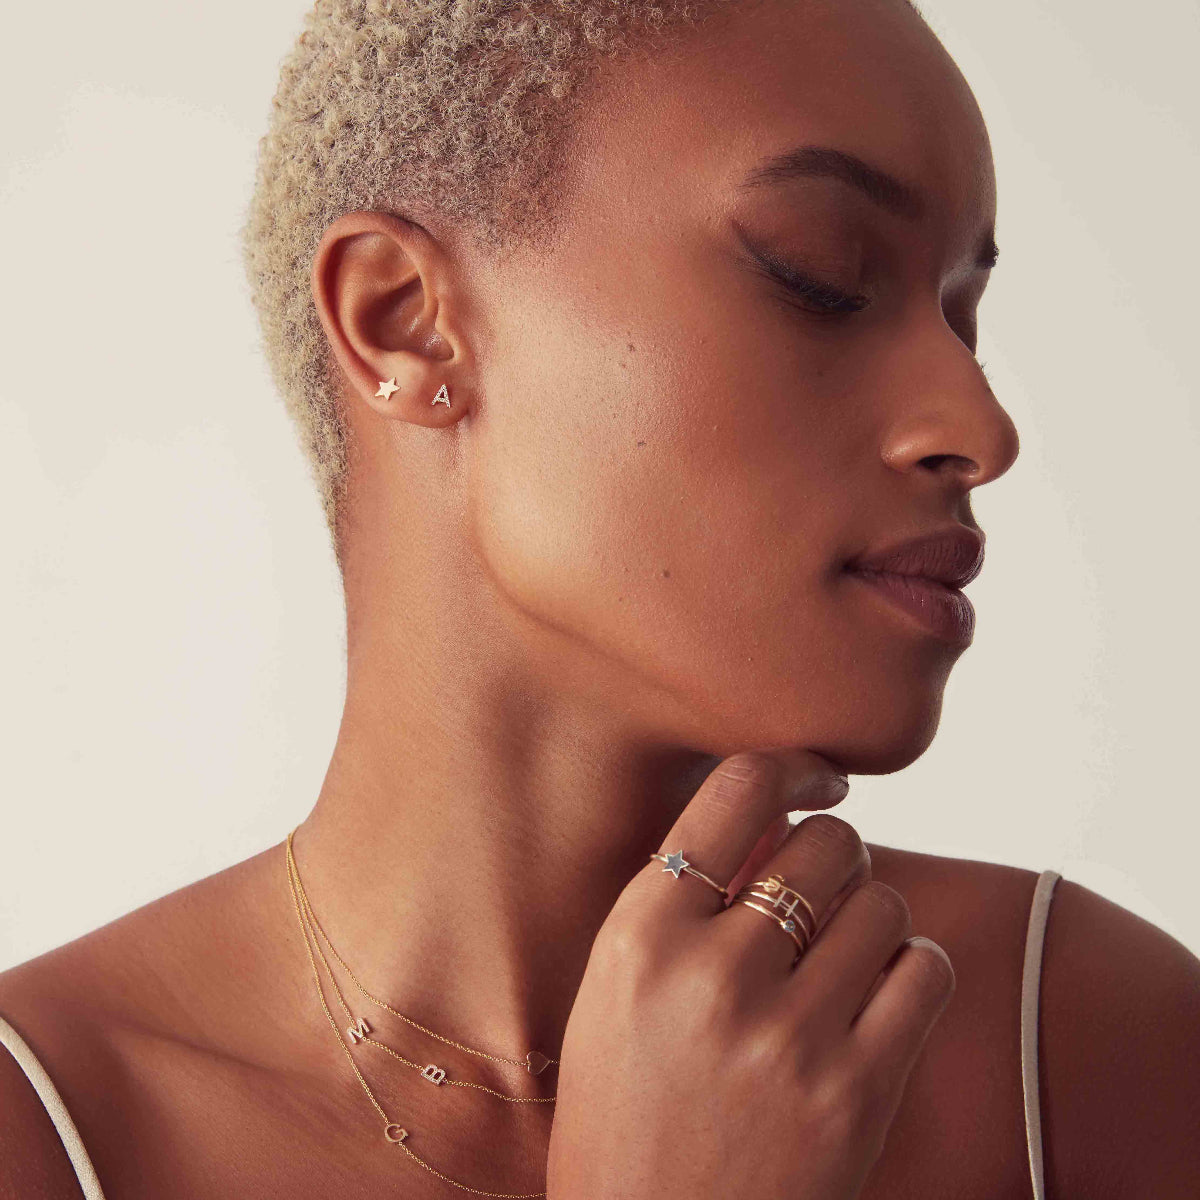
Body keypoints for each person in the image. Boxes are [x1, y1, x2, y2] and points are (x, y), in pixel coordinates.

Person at [2, 0, 1198, 1195]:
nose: (979, 428)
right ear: (404, 322)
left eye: (962, 319)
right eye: (822, 277)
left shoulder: (1085, 1052)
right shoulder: (48, 1129)